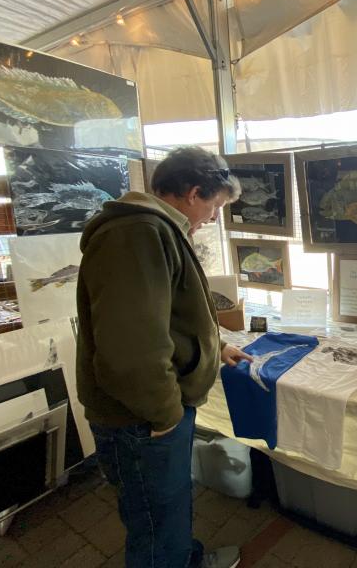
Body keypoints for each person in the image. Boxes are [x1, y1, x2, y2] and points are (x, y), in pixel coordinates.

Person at [76, 147, 252, 568]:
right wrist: (166, 414)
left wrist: (215, 347)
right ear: (193, 193)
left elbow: (168, 315)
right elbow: (130, 348)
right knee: (155, 521)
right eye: (215, 205)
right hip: (141, 417)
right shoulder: (137, 233)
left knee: (168, 506)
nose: (214, 217)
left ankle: (185, 558)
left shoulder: (158, 229)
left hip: (149, 413)